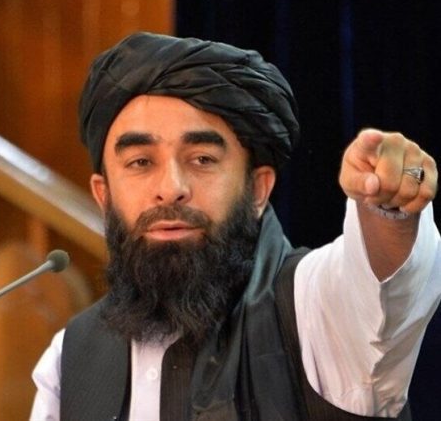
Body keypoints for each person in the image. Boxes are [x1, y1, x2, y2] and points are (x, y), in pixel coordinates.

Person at [29, 32, 440, 420]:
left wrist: (388, 204)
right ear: (103, 197)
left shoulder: (312, 308)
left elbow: (380, 291)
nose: (171, 189)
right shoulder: (70, 358)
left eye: (202, 159)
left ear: (258, 189)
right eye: (141, 162)